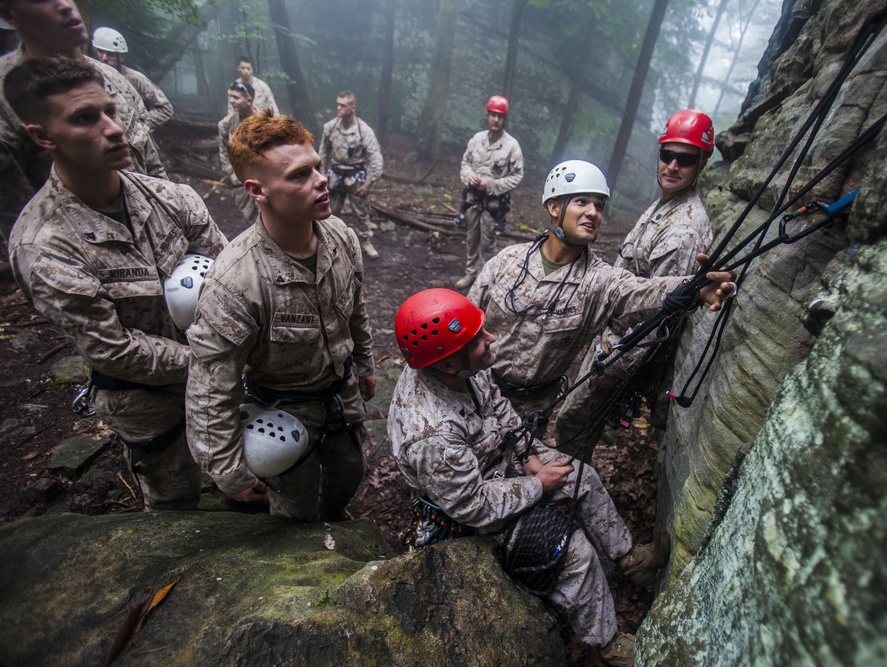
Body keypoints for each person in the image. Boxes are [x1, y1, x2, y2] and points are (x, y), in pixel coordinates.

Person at [388, 288, 666, 667]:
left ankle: (630, 560)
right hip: (464, 518)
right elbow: (472, 506)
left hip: (496, 463)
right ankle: (607, 645)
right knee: (573, 553)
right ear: (449, 365)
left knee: (582, 477)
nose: (492, 340)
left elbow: (498, 408)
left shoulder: (457, 365)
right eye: (479, 340)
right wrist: (538, 486)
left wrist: (529, 457)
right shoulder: (429, 434)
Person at [4, 57, 227, 510]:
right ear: (43, 137)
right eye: (86, 119)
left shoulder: (170, 198)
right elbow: (113, 349)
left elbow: (231, 276)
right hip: (146, 401)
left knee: (246, 474)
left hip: (222, 374)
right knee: (174, 503)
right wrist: (215, 359)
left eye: (110, 110)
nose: (114, 128)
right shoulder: (44, 246)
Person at [185, 108, 376, 522]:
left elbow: (356, 309)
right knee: (295, 508)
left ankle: (337, 524)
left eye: (318, 167)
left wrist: (365, 364)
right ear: (257, 190)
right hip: (282, 413)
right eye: (299, 175)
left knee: (349, 475)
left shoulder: (342, 238)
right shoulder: (236, 280)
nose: (321, 180)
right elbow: (211, 384)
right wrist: (230, 472)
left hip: (342, 396)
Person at [467, 160, 734, 444]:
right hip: (475, 391)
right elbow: (464, 321)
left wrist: (694, 287)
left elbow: (643, 291)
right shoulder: (508, 261)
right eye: (582, 201)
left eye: (599, 205)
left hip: (527, 414)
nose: (593, 213)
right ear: (554, 207)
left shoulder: (599, 282)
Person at [553, 110, 716, 454]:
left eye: (684, 159)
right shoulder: (665, 205)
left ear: (702, 162)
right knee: (575, 423)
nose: (672, 166)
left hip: (622, 347)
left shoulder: (683, 230)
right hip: (610, 337)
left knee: (574, 425)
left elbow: (660, 315)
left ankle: (564, 495)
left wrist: (615, 367)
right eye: (667, 155)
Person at [0, 0, 165, 241]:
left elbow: (150, 162)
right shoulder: (6, 99)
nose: (65, 5)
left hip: (156, 236)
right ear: (10, 14)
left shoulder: (112, 78)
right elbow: (14, 219)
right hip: (75, 257)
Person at [454, 94, 523, 290]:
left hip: (493, 204)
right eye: (493, 115)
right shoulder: (477, 140)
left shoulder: (511, 146)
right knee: (471, 238)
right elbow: (465, 163)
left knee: (487, 243)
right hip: (472, 199)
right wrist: (470, 177)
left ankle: (483, 282)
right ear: (487, 116)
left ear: (505, 119)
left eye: (500, 116)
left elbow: (517, 176)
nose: (496, 119)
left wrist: (491, 185)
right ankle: (470, 274)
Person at [318, 90, 383, 260]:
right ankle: (328, 241)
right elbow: (323, 153)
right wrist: (322, 175)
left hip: (356, 176)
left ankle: (365, 241)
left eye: (343, 105)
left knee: (361, 213)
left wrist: (368, 184)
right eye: (337, 104)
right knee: (330, 212)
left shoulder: (364, 131)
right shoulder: (330, 127)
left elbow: (375, 158)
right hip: (336, 174)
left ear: (353, 107)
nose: (338, 108)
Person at [91, 27, 174, 131]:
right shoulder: (90, 76)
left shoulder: (135, 79)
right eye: (100, 52)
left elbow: (165, 109)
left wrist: (139, 127)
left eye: (110, 54)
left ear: (121, 57)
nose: (104, 57)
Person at [218, 80, 258, 227]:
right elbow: (223, 150)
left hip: (265, 178)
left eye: (236, 97)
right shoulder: (226, 124)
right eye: (230, 97)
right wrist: (231, 172)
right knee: (248, 218)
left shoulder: (265, 120)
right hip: (241, 181)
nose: (232, 101)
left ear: (249, 100)